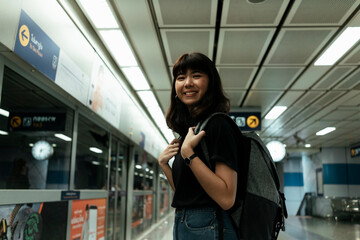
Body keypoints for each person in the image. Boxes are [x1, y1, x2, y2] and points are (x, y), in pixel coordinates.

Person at [158, 52, 239, 240]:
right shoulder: (190, 131)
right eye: (180, 77)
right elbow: (186, 194)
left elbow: (227, 198)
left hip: (211, 226)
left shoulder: (219, 125)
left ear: (210, 83)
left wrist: (188, 154)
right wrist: (164, 165)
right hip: (188, 223)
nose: (187, 83)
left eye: (196, 75)